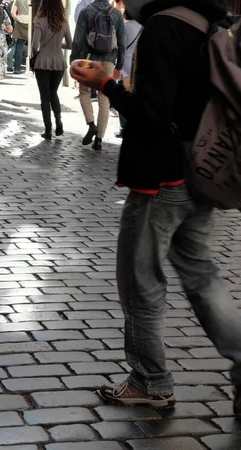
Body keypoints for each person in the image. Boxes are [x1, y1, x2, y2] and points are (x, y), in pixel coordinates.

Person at [69, 0, 240, 412]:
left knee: (140, 280)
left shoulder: (164, 26)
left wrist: (107, 84)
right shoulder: (204, 21)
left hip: (160, 178)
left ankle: (150, 379)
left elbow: (152, 111)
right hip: (200, 169)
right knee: (202, 276)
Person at [70, 0, 125, 150]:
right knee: (104, 98)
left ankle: (91, 124)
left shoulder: (86, 11)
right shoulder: (116, 14)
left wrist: (74, 59)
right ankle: (99, 139)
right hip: (108, 60)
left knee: (84, 92)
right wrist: (119, 65)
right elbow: (122, 43)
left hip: (88, 59)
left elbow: (78, 40)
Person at [31, 0, 71, 139]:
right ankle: (59, 122)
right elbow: (70, 44)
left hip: (42, 62)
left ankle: (48, 129)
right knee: (53, 92)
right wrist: (58, 45)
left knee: (44, 97)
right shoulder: (64, 23)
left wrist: (36, 54)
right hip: (59, 62)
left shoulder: (40, 22)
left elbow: (35, 45)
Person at [115, 7, 141, 138]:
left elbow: (121, 47)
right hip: (138, 65)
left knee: (123, 94)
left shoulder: (126, 27)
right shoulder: (144, 27)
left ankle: (124, 127)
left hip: (125, 65)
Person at [10, 0, 28, 74]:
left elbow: (12, 13)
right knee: (34, 44)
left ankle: (17, 67)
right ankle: (34, 66)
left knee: (19, 44)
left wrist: (18, 19)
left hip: (20, 21)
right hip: (32, 22)